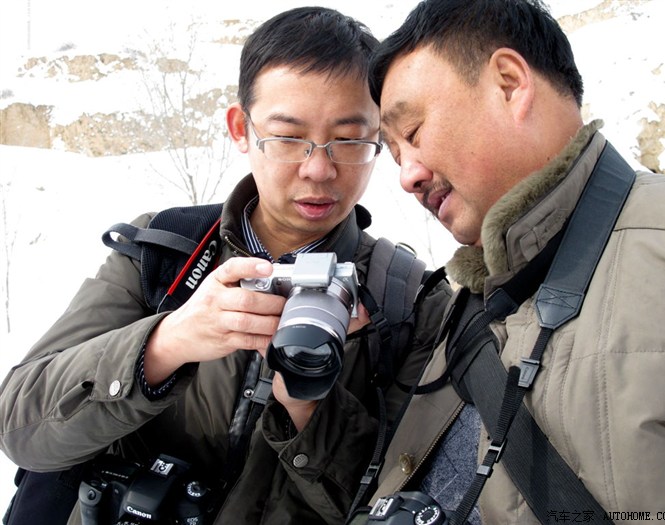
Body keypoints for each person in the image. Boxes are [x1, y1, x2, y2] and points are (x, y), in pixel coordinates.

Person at [0, 7, 452, 525]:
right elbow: (19, 427)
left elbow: (411, 501)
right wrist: (166, 344)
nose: (319, 167)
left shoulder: (408, 302)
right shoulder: (165, 252)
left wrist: (308, 408)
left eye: (349, 140)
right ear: (241, 128)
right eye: (288, 136)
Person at [354, 0, 665, 523]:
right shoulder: (462, 313)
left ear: (510, 84)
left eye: (415, 132)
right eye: (395, 153)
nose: (407, 175)